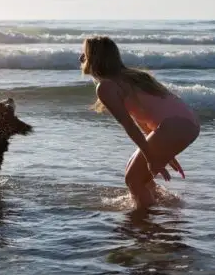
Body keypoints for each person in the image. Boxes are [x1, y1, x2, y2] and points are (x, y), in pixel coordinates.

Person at [80, 36, 199, 209]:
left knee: (133, 179)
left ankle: (146, 220)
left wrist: (152, 158)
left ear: (94, 59)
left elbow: (129, 126)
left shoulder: (106, 87)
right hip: (189, 123)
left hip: (174, 126)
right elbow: (146, 117)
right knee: (138, 173)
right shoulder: (135, 76)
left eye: (84, 54)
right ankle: (168, 204)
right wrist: (163, 151)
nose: (80, 58)